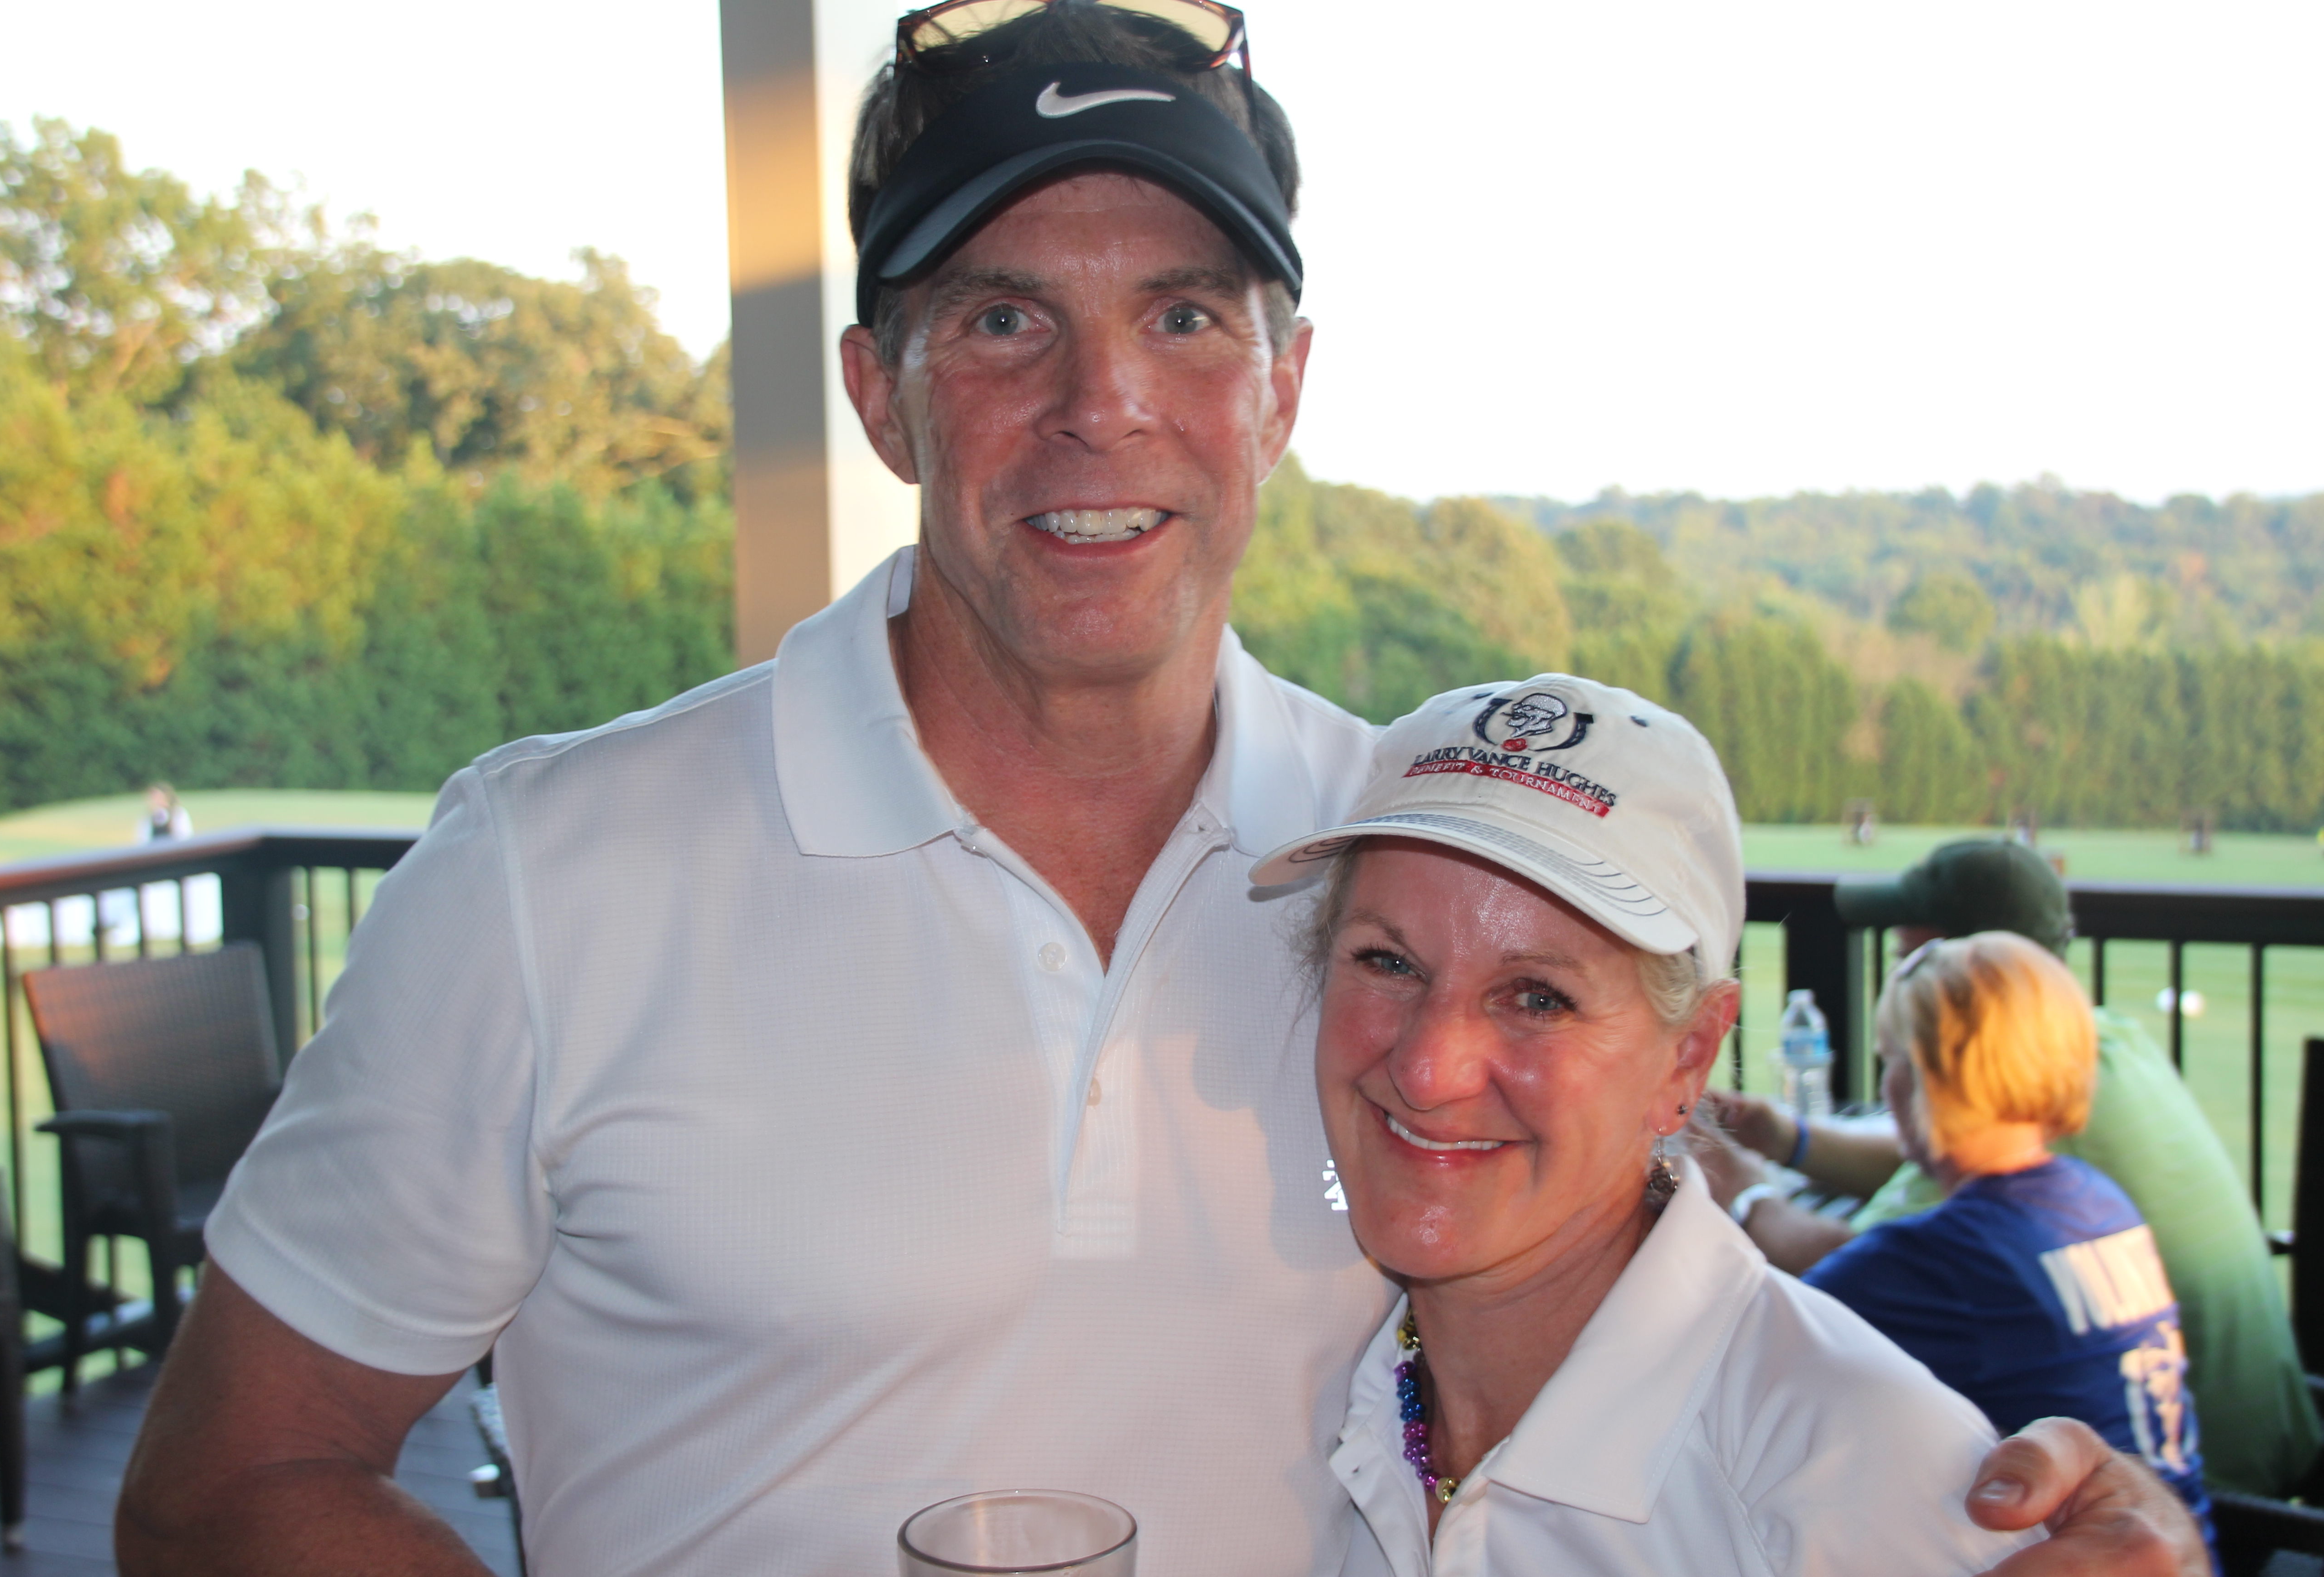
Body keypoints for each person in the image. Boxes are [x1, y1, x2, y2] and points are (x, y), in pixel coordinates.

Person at [114, 5, 2204, 1575]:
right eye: (1002, 319)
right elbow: (228, 1483)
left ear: (1283, 385)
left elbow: (1650, 1279)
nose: (1101, 404)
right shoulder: (551, 869)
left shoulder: (1404, 876)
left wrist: (2002, 1495)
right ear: (882, 393)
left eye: (1186, 315)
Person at [1275, 675, 2040, 1575]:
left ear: (1688, 1058)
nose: (1428, 1069)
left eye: (1539, 997)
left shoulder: (1860, 1480)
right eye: (1389, 962)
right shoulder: (1336, 1385)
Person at [1704, 837, 2320, 1496]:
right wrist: (1788, 1138)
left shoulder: (1946, 1254)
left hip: (2211, 1502)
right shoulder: (2091, 1155)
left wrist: (1738, 1189)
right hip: (2211, 1489)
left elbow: (1793, 1313)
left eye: (1895, 1061)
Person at [1802, 932, 2218, 1562]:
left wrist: (1725, 1193)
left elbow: (1757, 1334)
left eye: (1892, 1061)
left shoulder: (1943, 1256)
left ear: (1926, 1080)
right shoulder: (2097, 1197)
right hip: (2180, 1546)